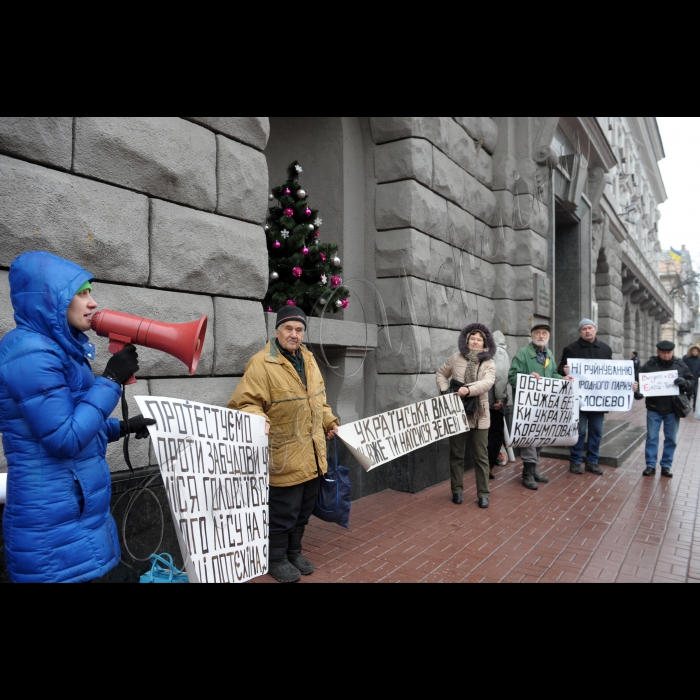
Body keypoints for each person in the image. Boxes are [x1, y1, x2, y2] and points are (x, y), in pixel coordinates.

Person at [0, 252, 155, 584]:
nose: (92, 302)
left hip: (71, 512)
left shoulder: (57, 349)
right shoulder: (31, 352)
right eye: (81, 293)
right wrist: (111, 381)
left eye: (89, 292)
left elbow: (74, 425)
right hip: (51, 521)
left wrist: (124, 427)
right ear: (49, 298)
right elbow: (64, 439)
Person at [229, 307, 340, 584]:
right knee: (283, 512)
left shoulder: (310, 360)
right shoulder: (261, 363)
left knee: (304, 509)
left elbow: (320, 400)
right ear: (277, 331)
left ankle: (294, 552)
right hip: (284, 452)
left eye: (299, 329)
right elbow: (245, 403)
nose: (294, 334)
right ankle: (276, 558)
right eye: (288, 328)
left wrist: (330, 422)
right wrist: (258, 419)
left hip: (313, 453)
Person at [436, 323, 496, 510]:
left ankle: (483, 494)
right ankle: (457, 491)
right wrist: (446, 390)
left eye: (479, 339)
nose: (475, 342)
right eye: (473, 339)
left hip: (480, 414)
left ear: (484, 343)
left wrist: (467, 390)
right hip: (456, 412)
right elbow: (440, 373)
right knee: (456, 454)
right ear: (467, 340)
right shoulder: (455, 358)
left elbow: (487, 383)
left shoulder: (488, 362)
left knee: (481, 456)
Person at [509, 323, 573, 491]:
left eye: (544, 333)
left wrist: (562, 379)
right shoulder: (522, 354)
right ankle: (527, 474)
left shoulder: (549, 354)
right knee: (529, 439)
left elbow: (552, 375)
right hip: (528, 405)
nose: (541, 336)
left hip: (545, 406)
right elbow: (512, 377)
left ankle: (534, 470)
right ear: (532, 336)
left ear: (548, 337)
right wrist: (527, 377)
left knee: (540, 437)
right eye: (537, 333)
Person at [559, 319, 613, 477]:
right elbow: (560, 369)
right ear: (580, 332)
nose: (587, 331)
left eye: (590, 328)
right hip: (580, 400)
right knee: (580, 431)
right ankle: (575, 461)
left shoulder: (606, 349)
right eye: (584, 329)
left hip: (598, 400)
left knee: (596, 431)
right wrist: (564, 369)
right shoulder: (570, 348)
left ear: (595, 330)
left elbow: (611, 374)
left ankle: (592, 462)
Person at [637, 341, 694, 479]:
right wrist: (638, 392)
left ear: (673, 352)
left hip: (672, 409)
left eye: (669, 353)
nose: (666, 355)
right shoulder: (649, 366)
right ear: (658, 352)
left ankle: (666, 465)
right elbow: (639, 383)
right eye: (663, 352)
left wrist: (684, 383)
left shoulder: (680, 365)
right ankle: (650, 465)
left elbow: (691, 382)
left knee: (671, 439)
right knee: (652, 437)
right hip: (654, 408)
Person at [488, 331, 511, 479]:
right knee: (495, 434)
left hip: (481, 400)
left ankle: (483, 466)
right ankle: (489, 467)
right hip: (493, 402)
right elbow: (501, 376)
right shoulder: (500, 352)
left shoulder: (484, 351)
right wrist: (500, 398)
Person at [684, 345, 700, 409]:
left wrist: (698, 374)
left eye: (696, 351)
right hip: (688, 379)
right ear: (691, 351)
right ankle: (687, 406)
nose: (695, 352)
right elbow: (684, 367)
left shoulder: (699, 359)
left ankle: (694, 407)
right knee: (688, 393)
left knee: (696, 393)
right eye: (694, 351)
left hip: (696, 379)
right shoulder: (686, 359)